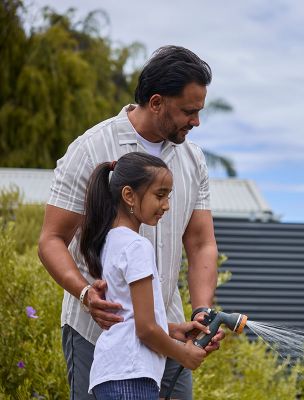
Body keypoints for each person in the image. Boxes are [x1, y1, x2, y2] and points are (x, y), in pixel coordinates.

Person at [38, 45, 223, 400]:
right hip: (99, 337)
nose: (196, 122)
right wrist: (84, 293)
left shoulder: (193, 159)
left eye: (199, 112)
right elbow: (51, 240)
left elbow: (201, 243)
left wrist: (201, 311)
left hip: (165, 332)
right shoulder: (91, 147)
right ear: (156, 102)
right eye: (188, 111)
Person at [81, 152, 208, 399]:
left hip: (114, 373)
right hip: (131, 375)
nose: (166, 205)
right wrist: (184, 355)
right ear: (128, 195)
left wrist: (174, 329)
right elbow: (146, 329)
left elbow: (129, 315)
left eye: (168, 196)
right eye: (159, 195)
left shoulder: (111, 240)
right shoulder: (137, 246)